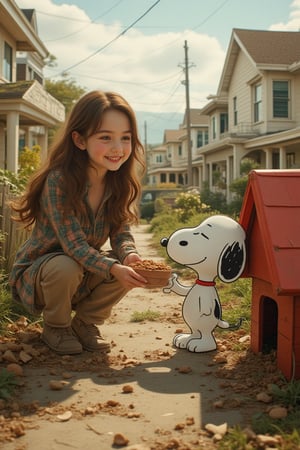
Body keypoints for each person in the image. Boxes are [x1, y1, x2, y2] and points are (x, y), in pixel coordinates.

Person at [9, 90, 148, 355]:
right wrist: (112, 267)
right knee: (68, 264)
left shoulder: (117, 182)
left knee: (126, 268)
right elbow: (73, 245)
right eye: (105, 137)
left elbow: (121, 233)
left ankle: (84, 324)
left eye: (125, 138)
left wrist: (130, 256)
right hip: (43, 274)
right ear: (80, 139)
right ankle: (57, 327)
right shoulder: (59, 180)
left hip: (82, 270)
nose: (118, 148)